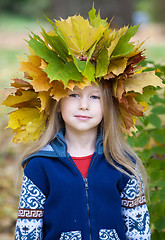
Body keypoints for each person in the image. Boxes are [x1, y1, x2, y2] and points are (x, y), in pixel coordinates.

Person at [2, 5, 164, 240]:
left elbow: (138, 231)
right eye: (74, 95)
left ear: (109, 106)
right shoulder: (40, 167)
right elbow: (27, 233)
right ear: (57, 102)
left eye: (95, 97)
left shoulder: (124, 165)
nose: (84, 105)